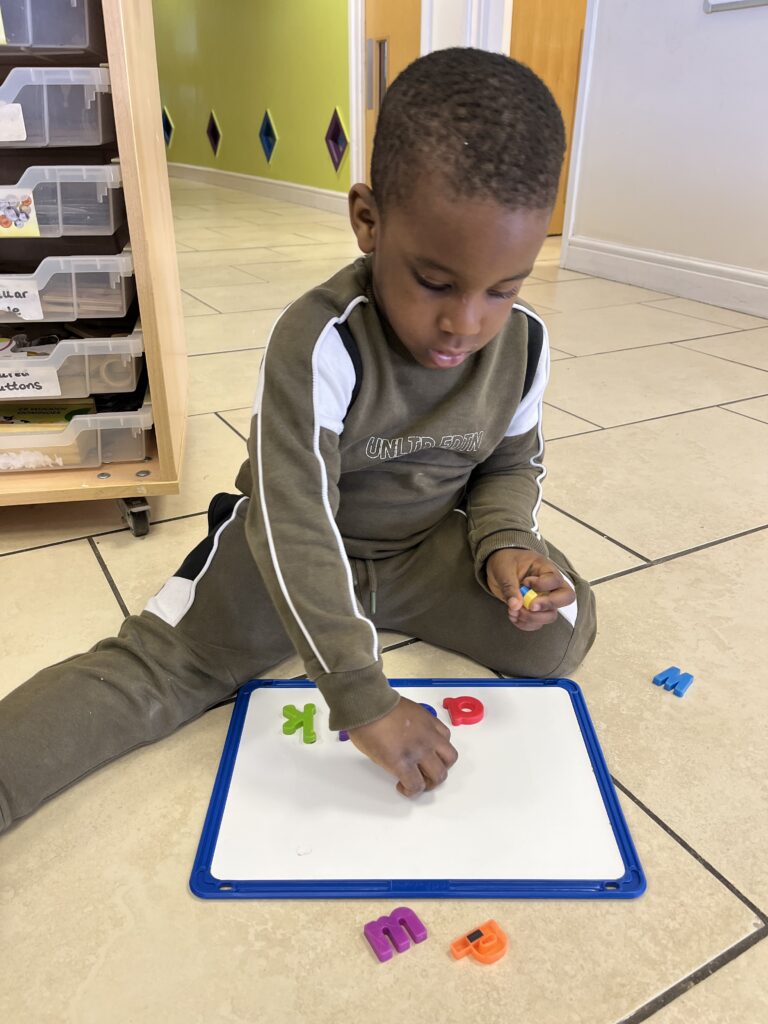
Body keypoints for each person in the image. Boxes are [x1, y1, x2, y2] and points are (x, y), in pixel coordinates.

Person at [0, 48, 596, 834]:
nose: (466, 322)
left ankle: (364, 608)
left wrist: (506, 545)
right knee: (157, 672)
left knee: (561, 633)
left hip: (419, 549)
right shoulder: (319, 339)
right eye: (435, 282)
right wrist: (362, 696)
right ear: (369, 221)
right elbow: (295, 520)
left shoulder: (523, 343)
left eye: (504, 288)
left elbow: (510, 465)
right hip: (292, 539)